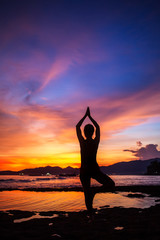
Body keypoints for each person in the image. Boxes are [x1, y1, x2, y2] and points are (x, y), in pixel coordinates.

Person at [76, 107, 115, 220]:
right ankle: (91, 209)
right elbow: (97, 127)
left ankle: (90, 211)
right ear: (92, 132)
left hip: (85, 170)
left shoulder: (82, 142)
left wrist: (85, 116)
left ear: (84, 132)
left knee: (87, 193)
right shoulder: (95, 142)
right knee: (110, 184)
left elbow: (77, 127)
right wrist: (90, 117)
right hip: (93, 169)